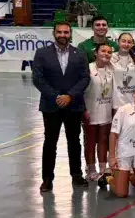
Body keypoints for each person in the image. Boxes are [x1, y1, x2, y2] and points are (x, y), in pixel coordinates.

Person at [33, 21, 91, 192]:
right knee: (50, 142)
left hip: (73, 105)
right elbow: (38, 78)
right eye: (59, 32)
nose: (63, 35)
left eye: (66, 32)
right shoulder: (42, 53)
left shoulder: (79, 54)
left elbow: (85, 78)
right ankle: (47, 178)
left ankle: (77, 175)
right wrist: (57, 97)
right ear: (54, 33)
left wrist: (70, 96)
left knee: (74, 142)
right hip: (51, 105)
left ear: (70, 34)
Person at [108, 83, 135, 198]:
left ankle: (130, 177)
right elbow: (113, 134)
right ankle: (111, 179)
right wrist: (112, 157)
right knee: (122, 194)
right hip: (124, 153)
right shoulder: (123, 110)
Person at [83, 42, 115, 181]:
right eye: (103, 51)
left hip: (106, 110)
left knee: (103, 140)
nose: (106, 54)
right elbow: (79, 90)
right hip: (91, 110)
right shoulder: (87, 69)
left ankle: (103, 169)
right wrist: (83, 110)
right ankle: (90, 169)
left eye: (109, 52)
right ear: (96, 53)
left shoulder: (112, 69)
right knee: (90, 141)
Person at [111, 33, 135, 113]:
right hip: (117, 103)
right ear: (118, 42)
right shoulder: (111, 57)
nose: (126, 44)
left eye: (129, 42)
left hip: (134, 102)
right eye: (123, 41)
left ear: (133, 44)